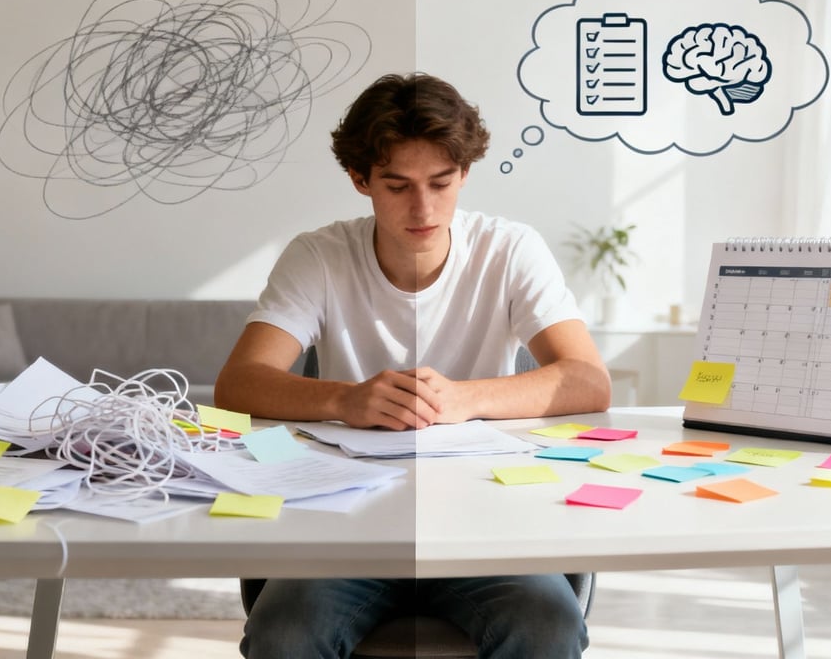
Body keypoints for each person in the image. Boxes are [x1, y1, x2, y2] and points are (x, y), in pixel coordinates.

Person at [214, 72, 611, 659]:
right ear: (360, 180)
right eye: (397, 186)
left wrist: (465, 399)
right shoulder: (319, 256)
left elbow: (588, 379)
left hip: (484, 524)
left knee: (546, 625)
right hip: (347, 526)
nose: (423, 208)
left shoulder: (510, 249)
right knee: (285, 634)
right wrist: (343, 400)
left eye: (441, 183)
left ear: (465, 175)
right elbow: (238, 384)